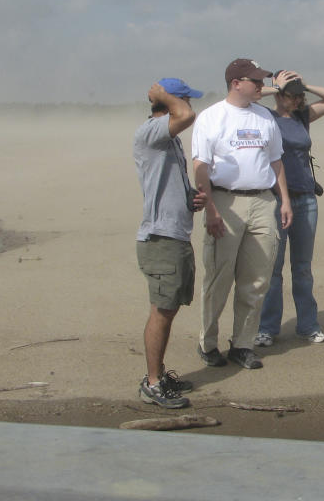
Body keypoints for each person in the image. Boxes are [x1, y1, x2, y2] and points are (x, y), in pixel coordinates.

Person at [191, 58, 293, 370]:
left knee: (257, 279)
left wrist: (284, 200)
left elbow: (275, 161)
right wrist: (210, 209)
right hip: (225, 202)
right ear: (236, 83)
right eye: (256, 81)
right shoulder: (211, 117)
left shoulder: (265, 117)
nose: (262, 86)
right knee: (219, 278)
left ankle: (243, 344)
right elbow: (200, 166)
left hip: (263, 202)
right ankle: (208, 344)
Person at [254, 70, 324, 347]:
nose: (296, 98)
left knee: (302, 267)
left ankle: (308, 325)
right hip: (274, 198)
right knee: (273, 268)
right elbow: (247, 97)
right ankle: (268, 327)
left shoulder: (303, 116)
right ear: (279, 94)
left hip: (305, 198)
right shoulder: (263, 116)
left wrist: (302, 85)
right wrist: (276, 87)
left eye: (298, 94)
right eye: (290, 94)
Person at [133, 77, 205, 408]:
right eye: (185, 99)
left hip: (174, 234)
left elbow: (167, 183)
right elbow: (187, 115)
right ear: (171, 101)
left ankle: (158, 375)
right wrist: (162, 95)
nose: (190, 105)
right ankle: (152, 384)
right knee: (161, 311)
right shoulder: (152, 131)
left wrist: (190, 198)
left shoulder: (170, 139)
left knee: (170, 308)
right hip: (160, 237)